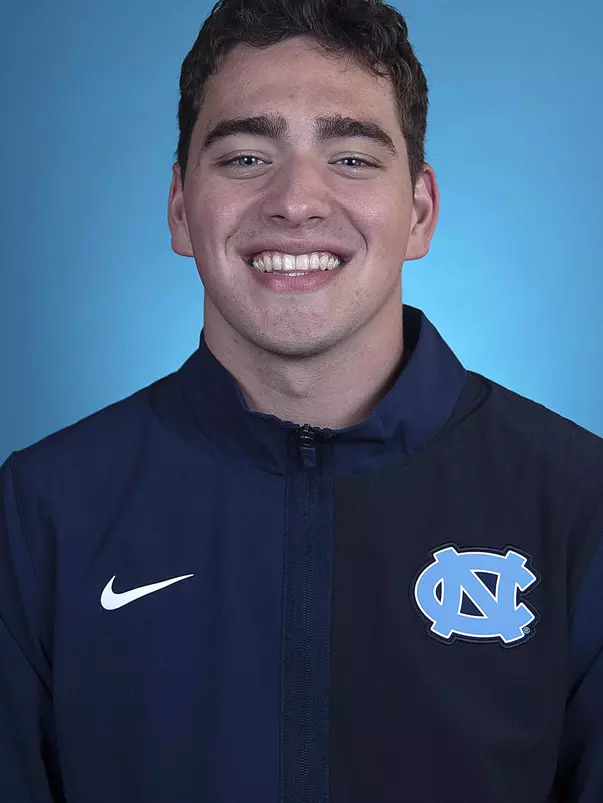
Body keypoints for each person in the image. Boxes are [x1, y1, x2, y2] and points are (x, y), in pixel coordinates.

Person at [1, 0, 602, 800]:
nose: (296, 200)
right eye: (246, 156)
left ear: (418, 211)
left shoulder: (576, 503)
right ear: (181, 208)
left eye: (351, 158)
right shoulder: (41, 512)